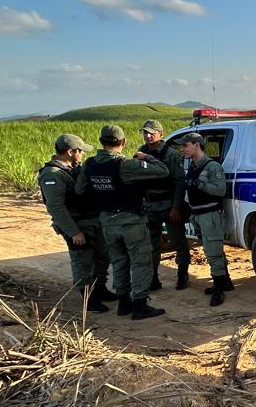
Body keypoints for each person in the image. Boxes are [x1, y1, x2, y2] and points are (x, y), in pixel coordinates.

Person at [75, 124, 170, 320]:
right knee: (141, 261)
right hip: (131, 221)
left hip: (107, 221)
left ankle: (123, 302)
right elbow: (162, 171)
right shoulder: (125, 164)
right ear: (123, 142)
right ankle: (140, 304)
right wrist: (146, 157)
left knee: (119, 262)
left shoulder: (90, 164)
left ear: (101, 142)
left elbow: (80, 190)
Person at [38, 133, 117, 312]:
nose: (82, 154)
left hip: (92, 220)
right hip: (77, 225)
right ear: (70, 151)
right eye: (80, 151)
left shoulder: (73, 168)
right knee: (83, 261)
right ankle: (88, 298)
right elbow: (56, 207)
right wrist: (73, 232)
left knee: (101, 257)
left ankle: (100, 289)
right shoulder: (52, 174)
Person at [180, 132, 233, 306]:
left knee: (213, 252)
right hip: (198, 214)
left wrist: (199, 184)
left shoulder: (212, 167)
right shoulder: (194, 166)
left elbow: (220, 190)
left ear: (197, 144)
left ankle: (219, 289)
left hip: (210, 215)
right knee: (211, 249)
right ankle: (225, 282)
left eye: (185, 145)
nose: (183, 149)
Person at [138, 119, 191, 291]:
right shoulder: (141, 152)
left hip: (168, 205)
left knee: (178, 242)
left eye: (151, 132)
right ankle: (153, 278)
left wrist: (176, 207)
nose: (147, 135)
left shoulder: (170, 154)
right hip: (150, 206)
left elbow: (179, 182)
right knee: (152, 244)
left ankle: (182, 276)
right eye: (145, 132)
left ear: (160, 134)